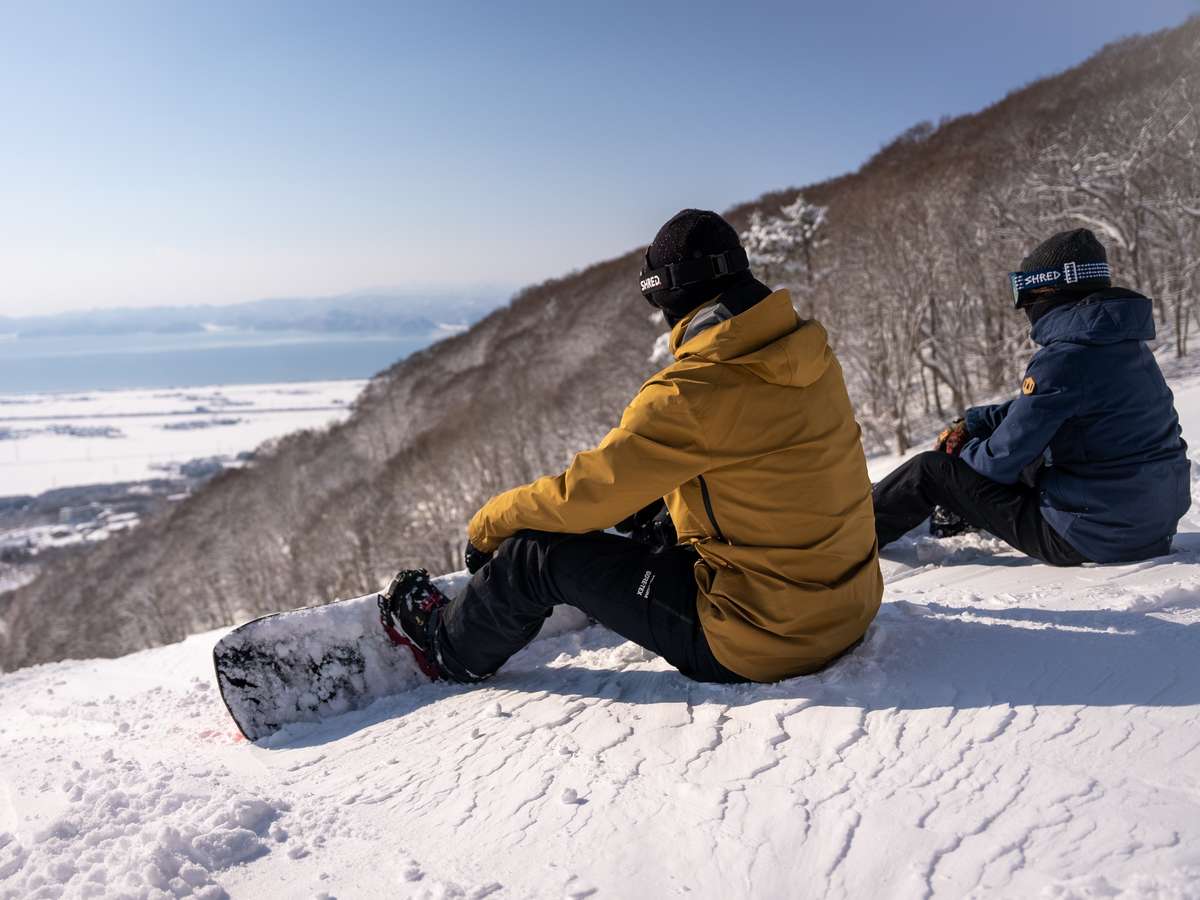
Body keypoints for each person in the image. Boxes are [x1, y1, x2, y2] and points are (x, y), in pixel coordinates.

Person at [378, 209, 882, 685]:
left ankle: (448, 645)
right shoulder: (806, 351)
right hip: (848, 607)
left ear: (667, 297)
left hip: (764, 639)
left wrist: (489, 524)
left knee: (536, 555)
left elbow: (583, 497)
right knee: (651, 510)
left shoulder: (692, 390)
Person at [872, 228, 1190, 565]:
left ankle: (849, 537)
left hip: (1091, 535)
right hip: (1150, 525)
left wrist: (959, 452)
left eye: (1024, 295)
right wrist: (975, 421)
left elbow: (1000, 460)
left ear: (1047, 292)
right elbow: (1043, 409)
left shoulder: (1064, 358)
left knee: (929, 471)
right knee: (1034, 455)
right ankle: (948, 510)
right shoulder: (1126, 346)